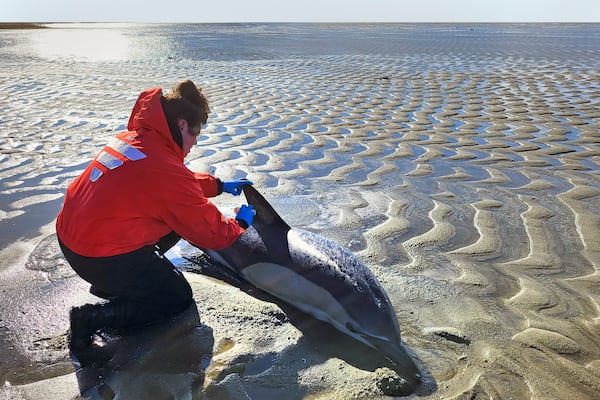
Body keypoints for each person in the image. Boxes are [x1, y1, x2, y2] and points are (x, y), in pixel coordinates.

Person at [56, 79, 256, 351]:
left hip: (73, 238)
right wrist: (240, 224)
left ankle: (123, 284)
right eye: (196, 132)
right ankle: (93, 318)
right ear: (182, 124)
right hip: (95, 255)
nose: (196, 141)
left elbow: (169, 184)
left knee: (174, 218)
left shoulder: (139, 140)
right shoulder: (163, 168)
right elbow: (210, 232)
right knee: (177, 298)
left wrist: (218, 185)